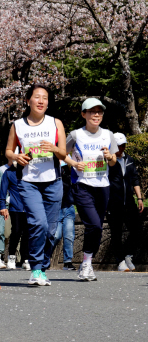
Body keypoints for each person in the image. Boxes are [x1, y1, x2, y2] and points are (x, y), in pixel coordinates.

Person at [5, 83, 67, 287]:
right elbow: (8, 152)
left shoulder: (55, 123)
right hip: (29, 182)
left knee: (51, 230)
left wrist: (54, 148)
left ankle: (42, 265)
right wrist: (16, 156)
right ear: (28, 100)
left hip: (53, 182)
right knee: (38, 223)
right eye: (37, 97)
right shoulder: (18, 125)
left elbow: (64, 154)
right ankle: (36, 268)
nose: (41, 101)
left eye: (45, 98)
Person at [64, 98, 118, 281]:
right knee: (94, 224)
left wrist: (110, 156)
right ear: (83, 114)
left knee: (97, 228)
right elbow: (61, 152)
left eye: (99, 112)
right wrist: (73, 163)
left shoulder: (108, 135)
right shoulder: (76, 135)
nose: (96, 115)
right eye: (92, 111)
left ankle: (86, 262)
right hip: (82, 185)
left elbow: (113, 161)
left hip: (103, 186)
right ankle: (86, 264)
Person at [108, 132, 144, 272]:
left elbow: (134, 179)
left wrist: (139, 198)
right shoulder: (108, 161)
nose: (121, 148)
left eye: (123, 145)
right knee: (116, 232)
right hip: (113, 202)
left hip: (128, 201)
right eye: (119, 146)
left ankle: (128, 254)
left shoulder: (129, 159)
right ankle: (120, 260)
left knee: (137, 229)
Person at [0, 159, 30, 270]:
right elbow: (3, 190)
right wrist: (3, 206)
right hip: (15, 207)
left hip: (28, 207)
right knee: (16, 231)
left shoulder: (29, 171)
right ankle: (11, 256)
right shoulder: (8, 172)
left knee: (27, 233)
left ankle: (25, 259)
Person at [53, 161, 76, 271]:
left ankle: (68, 261)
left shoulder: (70, 175)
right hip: (56, 209)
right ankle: (45, 257)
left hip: (68, 207)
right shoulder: (51, 175)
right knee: (55, 236)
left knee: (69, 235)